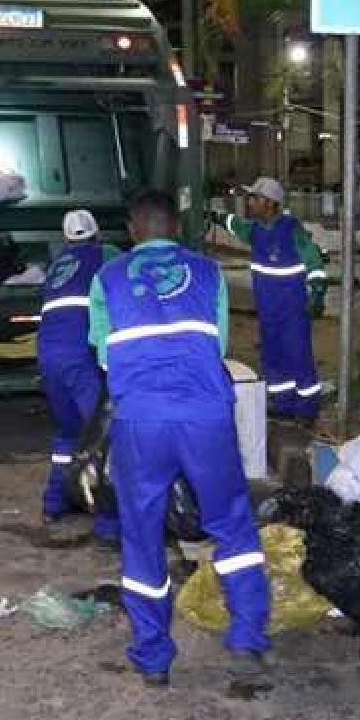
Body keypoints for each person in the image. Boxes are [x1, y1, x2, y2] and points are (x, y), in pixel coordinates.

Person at [89, 190, 271, 687]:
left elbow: (104, 357)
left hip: (141, 422)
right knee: (232, 526)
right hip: (204, 415)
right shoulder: (208, 272)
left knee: (142, 534)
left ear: (133, 229)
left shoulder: (107, 278)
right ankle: (248, 645)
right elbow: (219, 344)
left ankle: (153, 659)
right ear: (175, 226)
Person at [38, 209, 120, 542]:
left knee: (70, 430)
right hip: (80, 356)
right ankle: (108, 523)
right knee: (102, 436)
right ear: (96, 234)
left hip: (48, 356)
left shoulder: (58, 265)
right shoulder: (106, 254)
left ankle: (54, 503)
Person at [214, 177, 326, 420]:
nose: (249, 202)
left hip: (293, 310)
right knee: (273, 356)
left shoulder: (291, 230)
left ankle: (307, 407)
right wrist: (216, 216)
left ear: (269, 203)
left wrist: (317, 292)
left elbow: (314, 263)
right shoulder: (254, 230)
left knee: (297, 355)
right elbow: (235, 224)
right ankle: (284, 403)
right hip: (268, 310)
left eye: (253, 198)